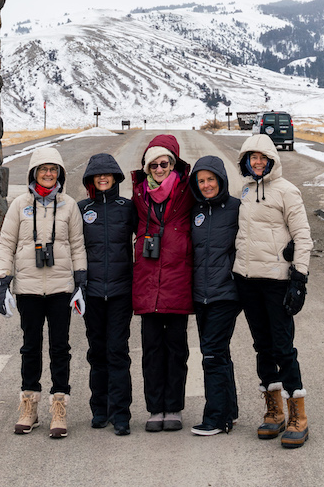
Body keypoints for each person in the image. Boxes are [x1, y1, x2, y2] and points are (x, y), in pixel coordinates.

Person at [0, 145, 87, 438]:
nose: (48, 174)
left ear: (60, 173)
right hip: (29, 288)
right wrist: (2, 280)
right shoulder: (19, 204)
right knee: (30, 346)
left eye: (53, 169)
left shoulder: (69, 205)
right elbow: (7, 243)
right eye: (43, 169)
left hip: (60, 287)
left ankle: (59, 404)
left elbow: (77, 245)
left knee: (60, 348)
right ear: (34, 173)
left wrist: (81, 281)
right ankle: (29, 406)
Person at [233, 133, 313, 449]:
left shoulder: (287, 192)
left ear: (271, 160)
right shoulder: (245, 191)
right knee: (262, 347)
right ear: (245, 162)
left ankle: (298, 416)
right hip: (248, 280)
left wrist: (299, 280)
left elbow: (303, 237)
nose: (257, 162)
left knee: (283, 347)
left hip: (277, 282)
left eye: (262, 158)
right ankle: (273, 411)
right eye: (251, 158)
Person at [132, 133, 194, 432]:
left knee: (177, 350)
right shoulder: (138, 196)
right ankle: (155, 408)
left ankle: (174, 407)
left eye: (165, 163)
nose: (159, 169)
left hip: (178, 283)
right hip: (148, 285)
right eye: (154, 165)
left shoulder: (187, 193)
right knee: (152, 351)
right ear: (147, 167)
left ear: (174, 164)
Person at [77, 152, 137, 436]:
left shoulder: (127, 208)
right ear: (91, 179)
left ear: (115, 178)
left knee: (118, 351)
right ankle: (100, 410)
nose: (102, 179)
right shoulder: (81, 209)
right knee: (96, 352)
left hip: (121, 292)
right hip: (92, 293)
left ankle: (121, 413)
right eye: (97, 175)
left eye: (107, 174)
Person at [188, 154, 241, 436]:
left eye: (210, 179)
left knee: (211, 354)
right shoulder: (194, 211)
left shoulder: (236, 208)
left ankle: (216, 418)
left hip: (226, 294)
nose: (206, 185)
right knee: (220, 353)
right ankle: (229, 411)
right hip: (201, 295)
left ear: (221, 179)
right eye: (201, 180)